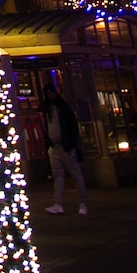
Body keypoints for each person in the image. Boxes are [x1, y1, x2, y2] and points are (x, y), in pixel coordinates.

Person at [41, 87, 87, 215]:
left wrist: (71, 144)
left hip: (64, 146)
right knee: (59, 176)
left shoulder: (61, 108)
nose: (50, 96)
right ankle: (59, 204)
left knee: (74, 175)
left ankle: (81, 203)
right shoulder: (49, 110)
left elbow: (72, 126)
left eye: (51, 93)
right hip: (56, 146)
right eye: (48, 94)